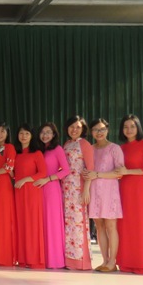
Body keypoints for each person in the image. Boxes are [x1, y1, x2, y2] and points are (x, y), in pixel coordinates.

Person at [115, 114, 143, 275]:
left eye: (132, 126)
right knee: (125, 225)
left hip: (140, 190)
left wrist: (128, 171)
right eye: (125, 127)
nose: (129, 130)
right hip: (123, 189)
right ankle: (126, 262)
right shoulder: (120, 148)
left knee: (141, 225)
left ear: (138, 128)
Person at [84, 118, 124, 273]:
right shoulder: (89, 148)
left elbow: (119, 172)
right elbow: (85, 169)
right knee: (99, 226)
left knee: (111, 226)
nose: (99, 132)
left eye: (102, 129)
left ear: (107, 130)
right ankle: (105, 260)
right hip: (93, 191)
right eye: (95, 130)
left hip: (109, 192)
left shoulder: (114, 148)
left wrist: (97, 174)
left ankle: (112, 261)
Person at [35, 122, 70, 270]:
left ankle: (54, 260)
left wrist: (48, 179)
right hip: (37, 190)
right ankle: (41, 258)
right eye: (43, 132)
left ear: (54, 134)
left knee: (52, 223)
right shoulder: (38, 150)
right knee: (40, 223)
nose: (45, 135)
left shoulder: (57, 149)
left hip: (51, 189)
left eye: (48, 132)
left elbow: (66, 170)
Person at [61, 116, 94, 270]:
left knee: (78, 223)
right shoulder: (67, 144)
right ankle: (68, 259)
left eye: (78, 127)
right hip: (65, 189)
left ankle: (81, 261)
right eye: (71, 126)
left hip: (78, 188)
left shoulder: (85, 144)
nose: (74, 130)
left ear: (83, 129)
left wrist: (86, 190)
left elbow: (90, 169)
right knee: (68, 224)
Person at [13, 124, 48, 269]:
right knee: (21, 224)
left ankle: (34, 259)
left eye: (27, 133)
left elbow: (43, 173)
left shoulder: (37, 153)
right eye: (21, 133)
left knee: (32, 224)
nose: (23, 136)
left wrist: (25, 180)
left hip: (32, 191)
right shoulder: (16, 154)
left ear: (32, 136)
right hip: (18, 192)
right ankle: (22, 259)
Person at [0, 122, 17, 267]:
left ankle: (4, 257)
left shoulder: (9, 147)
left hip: (3, 185)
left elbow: (9, 167)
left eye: (2, 131)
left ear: (7, 133)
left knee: (3, 219)